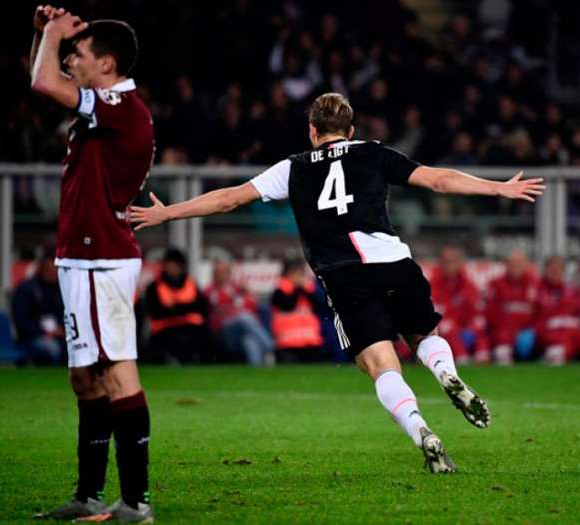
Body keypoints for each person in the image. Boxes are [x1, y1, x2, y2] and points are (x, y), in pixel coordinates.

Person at [131, 92, 544, 473]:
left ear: (312, 131)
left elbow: (231, 198)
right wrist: (498, 188)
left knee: (380, 364)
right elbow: (437, 179)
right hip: (392, 261)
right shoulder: (373, 153)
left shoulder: (292, 168)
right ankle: (445, 373)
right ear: (351, 131)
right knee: (424, 334)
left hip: (343, 273)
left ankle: (422, 430)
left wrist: (168, 214)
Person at [29, 6, 154, 521]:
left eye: (76, 54)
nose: (68, 61)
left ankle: (136, 501)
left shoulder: (120, 105)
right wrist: (45, 35)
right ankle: (89, 495)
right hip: (80, 256)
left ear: (105, 63)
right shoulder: (104, 105)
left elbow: (41, 83)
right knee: (85, 377)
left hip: (102, 257)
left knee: (118, 371)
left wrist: (52, 32)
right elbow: (42, 75)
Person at [143, 248, 211, 364]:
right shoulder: (154, 287)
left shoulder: (191, 284)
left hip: (190, 328)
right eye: (169, 265)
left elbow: (202, 307)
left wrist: (175, 308)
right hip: (165, 330)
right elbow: (154, 310)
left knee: (205, 337)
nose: (172, 269)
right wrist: (183, 308)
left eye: (175, 265)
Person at [534, 256, 580, 364]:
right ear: (545, 270)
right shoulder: (538, 289)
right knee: (561, 347)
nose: (555, 272)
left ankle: (561, 355)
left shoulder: (571, 290)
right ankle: (554, 355)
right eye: (552, 269)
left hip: (573, 330)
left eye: (558, 269)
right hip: (550, 330)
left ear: (563, 271)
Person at [204, 259, 274, 366]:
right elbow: (217, 313)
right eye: (218, 272)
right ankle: (271, 347)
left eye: (223, 271)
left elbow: (252, 306)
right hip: (223, 332)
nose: (220, 274)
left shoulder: (238, 288)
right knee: (244, 318)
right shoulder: (209, 291)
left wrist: (244, 298)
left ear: (229, 273)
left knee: (249, 341)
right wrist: (235, 308)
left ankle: (257, 374)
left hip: (242, 331)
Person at [429, 246, 490, 364]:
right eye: (446, 262)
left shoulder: (467, 282)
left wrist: (473, 324)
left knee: (479, 327)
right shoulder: (434, 283)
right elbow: (434, 310)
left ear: (459, 263)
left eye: (453, 261)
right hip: (444, 327)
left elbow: (475, 308)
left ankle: (483, 359)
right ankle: (462, 359)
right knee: (447, 327)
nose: (450, 265)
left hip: (463, 326)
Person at [485, 249, 538, 364]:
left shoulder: (534, 284)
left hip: (527, 332)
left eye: (519, 263)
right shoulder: (496, 284)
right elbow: (491, 314)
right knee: (502, 344)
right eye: (513, 263)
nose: (516, 267)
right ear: (506, 264)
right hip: (503, 333)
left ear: (525, 265)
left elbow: (539, 312)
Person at [11, 255, 65, 364]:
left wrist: (61, 329)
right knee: (52, 348)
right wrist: (44, 333)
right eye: (50, 270)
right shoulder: (26, 289)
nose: (54, 274)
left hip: (57, 335)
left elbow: (63, 314)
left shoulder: (58, 289)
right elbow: (21, 321)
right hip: (32, 337)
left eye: (56, 270)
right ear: (41, 269)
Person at [270, 259, 326, 363]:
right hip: (287, 344)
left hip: (311, 341)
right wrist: (298, 287)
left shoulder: (309, 290)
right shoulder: (279, 291)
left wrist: (306, 289)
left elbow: (321, 304)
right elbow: (288, 305)